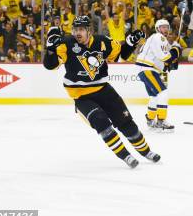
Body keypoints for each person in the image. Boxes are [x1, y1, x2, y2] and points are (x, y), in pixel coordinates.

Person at [43, 15, 159, 169]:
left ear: (89, 31)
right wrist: (50, 49)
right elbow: (50, 66)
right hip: (82, 96)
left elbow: (121, 55)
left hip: (103, 90)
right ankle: (125, 155)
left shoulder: (102, 41)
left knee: (125, 122)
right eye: (75, 29)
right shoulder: (66, 43)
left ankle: (146, 151)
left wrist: (131, 43)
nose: (78, 33)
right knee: (101, 122)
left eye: (82, 29)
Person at [135, 19, 181, 132]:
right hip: (148, 68)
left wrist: (172, 59)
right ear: (157, 29)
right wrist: (176, 50)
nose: (165, 29)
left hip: (147, 69)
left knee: (154, 96)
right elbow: (164, 57)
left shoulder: (160, 41)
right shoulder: (158, 37)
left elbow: (166, 64)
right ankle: (161, 120)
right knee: (163, 92)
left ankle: (150, 119)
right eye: (163, 27)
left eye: (167, 27)